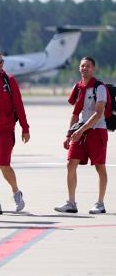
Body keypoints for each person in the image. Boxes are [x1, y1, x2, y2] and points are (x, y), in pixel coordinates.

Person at [55, 57, 109, 214]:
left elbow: (99, 113)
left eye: (88, 66)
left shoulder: (99, 88)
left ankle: (100, 203)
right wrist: (69, 134)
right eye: (82, 66)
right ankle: (71, 203)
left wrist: (81, 131)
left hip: (97, 130)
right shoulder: (77, 87)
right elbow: (75, 113)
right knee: (71, 163)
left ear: (93, 69)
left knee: (99, 166)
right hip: (80, 130)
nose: (84, 68)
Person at [0, 50, 30, 215]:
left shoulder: (9, 81)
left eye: (2, 61)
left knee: (3, 164)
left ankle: (16, 191)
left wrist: (25, 128)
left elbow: (19, 105)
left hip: (5, 130)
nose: (1, 64)